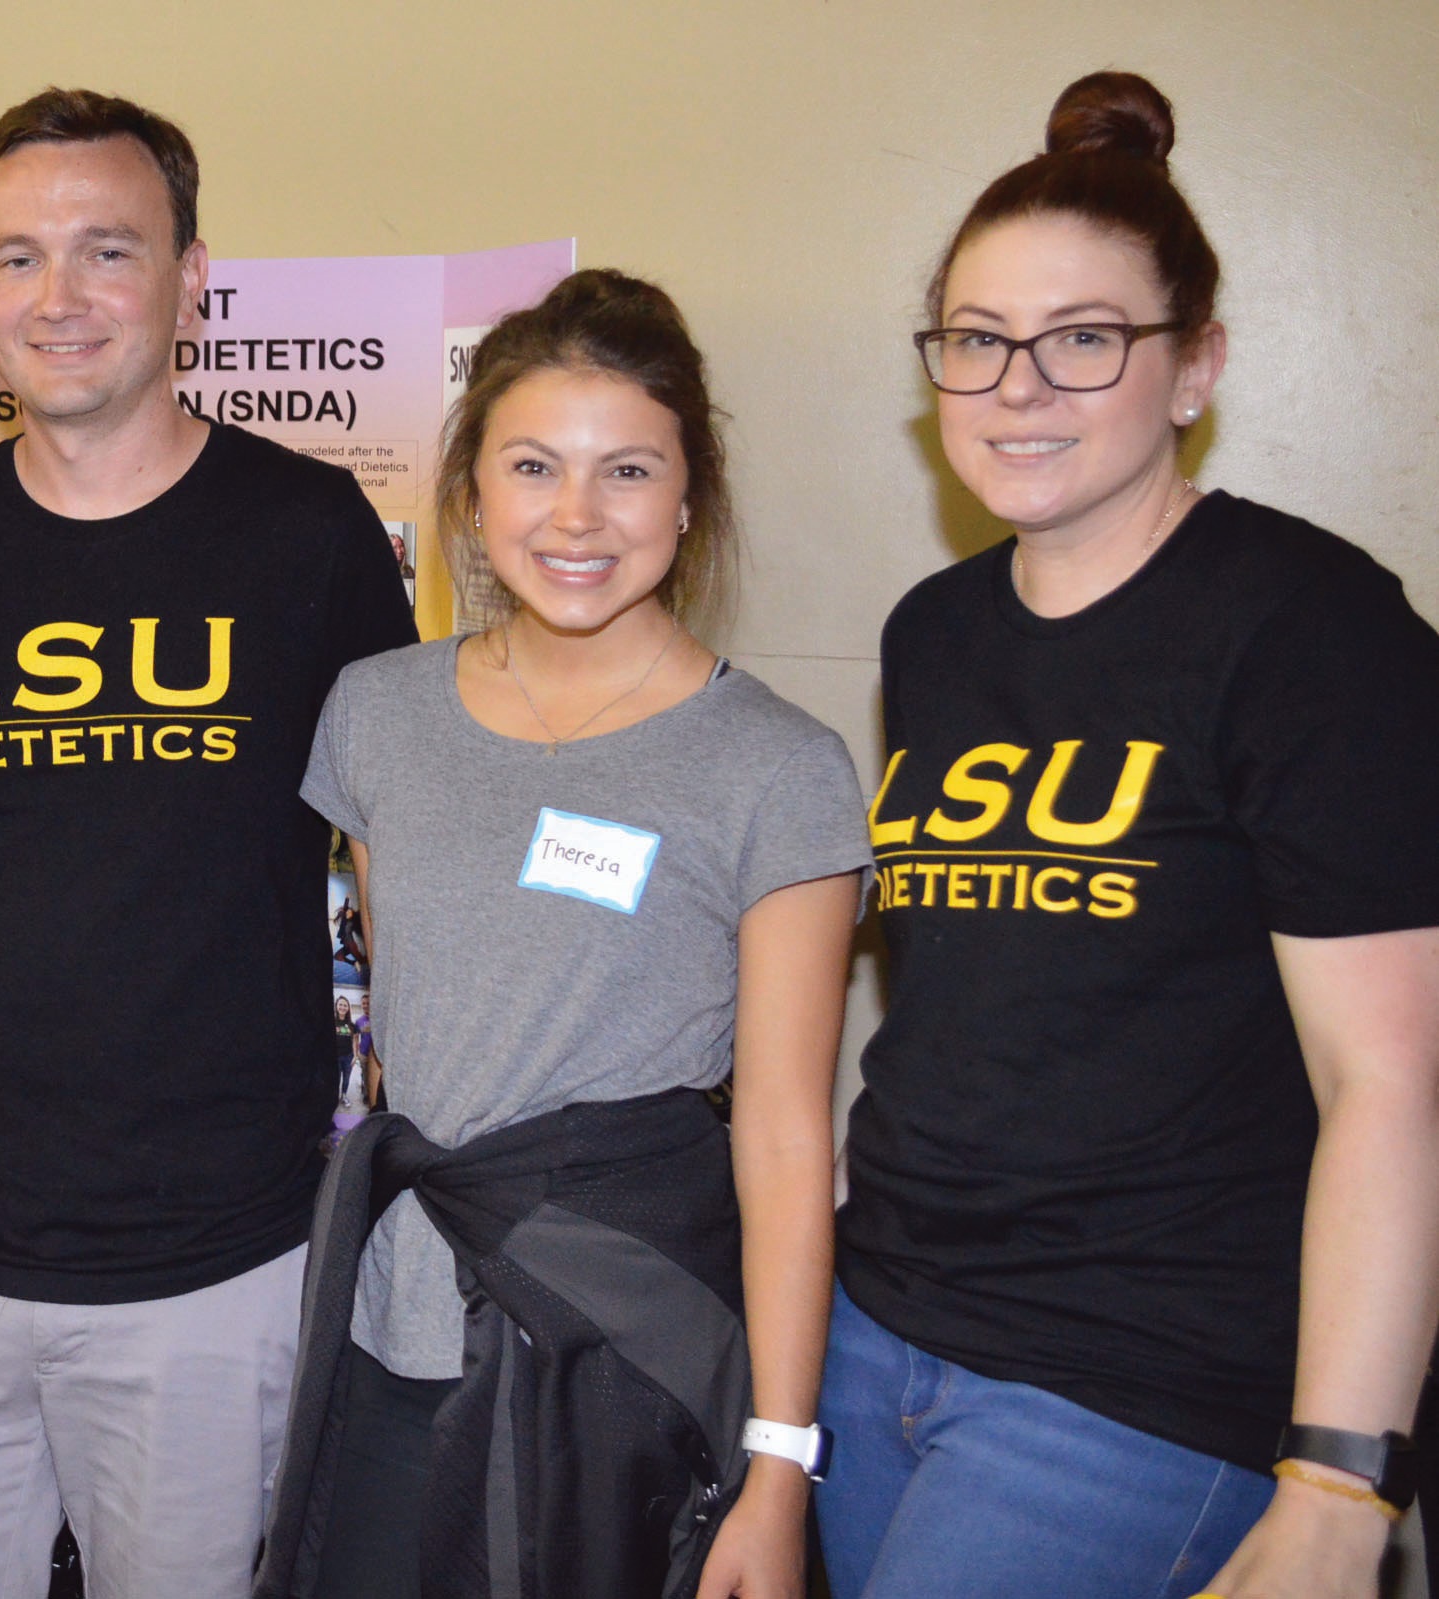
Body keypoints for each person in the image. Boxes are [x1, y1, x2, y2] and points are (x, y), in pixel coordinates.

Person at [820, 72, 1439, 1599]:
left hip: (1143, 1381)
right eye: (977, 340)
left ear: (1193, 366)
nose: (1018, 387)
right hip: (878, 1332)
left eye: (1084, 338)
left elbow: (1392, 1081)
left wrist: (1341, 1480)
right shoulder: (933, 631)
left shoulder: (1310, 626)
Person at [0, 88, 419, 1599]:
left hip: (211, 1263)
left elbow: (394, 856)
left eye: (107, 250)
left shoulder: (310, 532)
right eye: (16, 257)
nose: (60, 297)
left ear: (191, 276)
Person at [261, 269, 867, 1599]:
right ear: (474, 491)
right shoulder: (376, 715)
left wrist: (777, 1464)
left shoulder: (777, 768)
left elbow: (783, 1139)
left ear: (691, 494)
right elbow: (414, 1016)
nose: (577, 516)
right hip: (394, 1328)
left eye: (628, 471)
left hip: (621, 1350)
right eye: (533, 466)